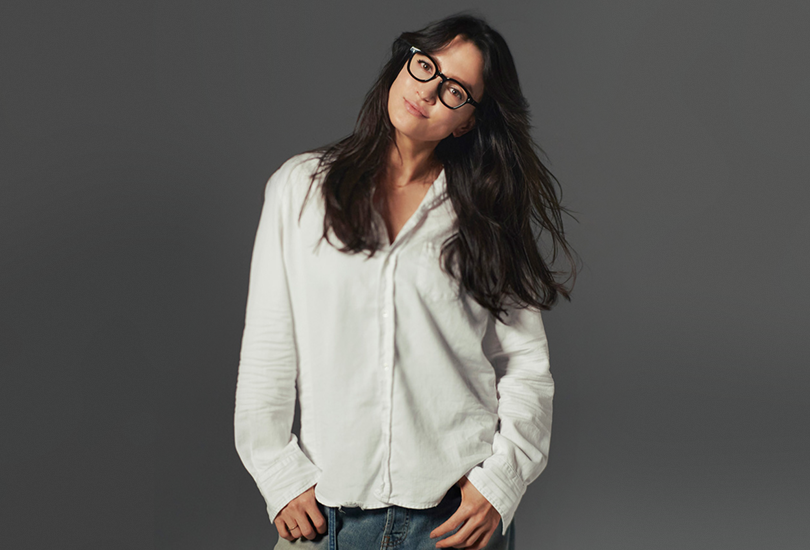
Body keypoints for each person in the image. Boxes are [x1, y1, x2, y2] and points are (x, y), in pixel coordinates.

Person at [234, 13, 577, 550]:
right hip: (328, 515)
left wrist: (499, 483)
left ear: (466, 120)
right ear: (403, 64)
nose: (429, 91)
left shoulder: (486, 214)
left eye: (455, 90)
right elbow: (268, 348)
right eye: (424, 67)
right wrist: (277, 474)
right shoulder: (300, 188)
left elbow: (526, 364)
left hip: (453, 522)